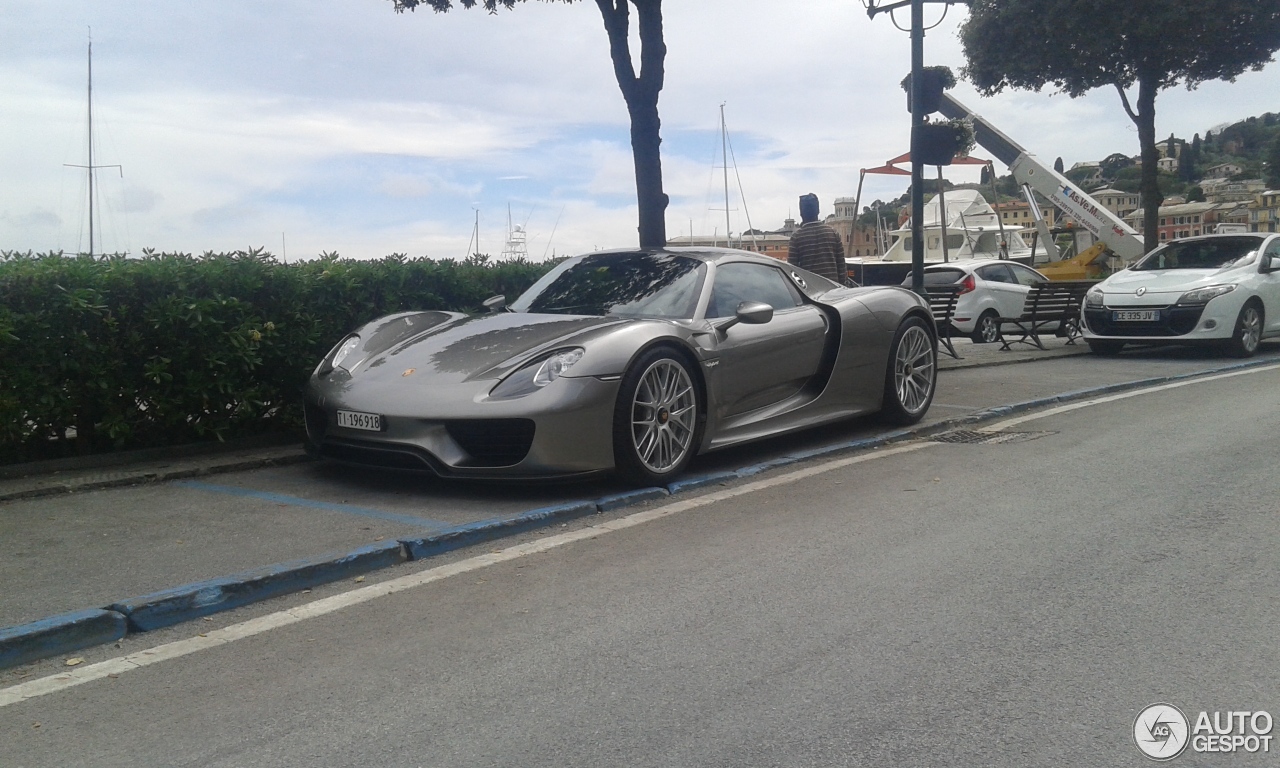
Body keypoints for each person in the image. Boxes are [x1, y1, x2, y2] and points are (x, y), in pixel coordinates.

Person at [787, 193, 850, 285]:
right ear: (818, 211)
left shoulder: (796, 237)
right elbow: (841, 267)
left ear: (801, 213)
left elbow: (792, 271)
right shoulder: (833, 233)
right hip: (834, 292)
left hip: (809, 293)